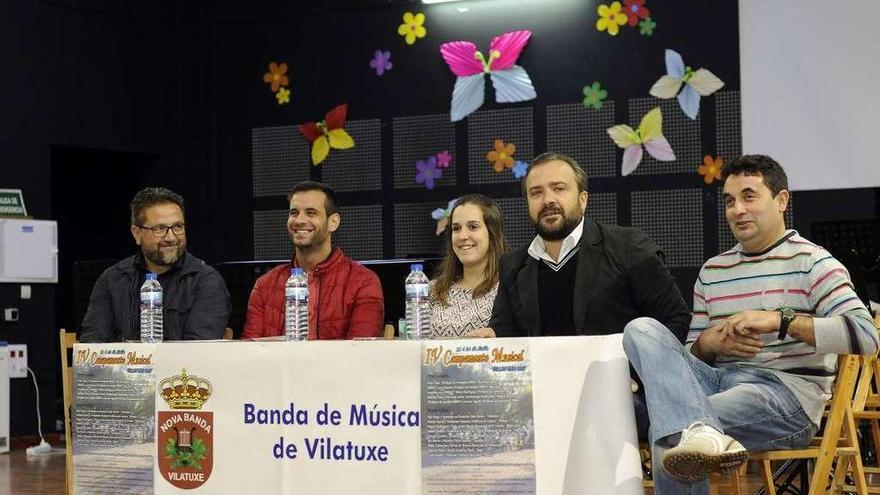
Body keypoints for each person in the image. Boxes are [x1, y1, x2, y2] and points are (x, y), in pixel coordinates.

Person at [623, 155, 879, 494]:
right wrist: (709, 345)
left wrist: (780, 320)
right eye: (729, 201)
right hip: (716, 384)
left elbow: (866, 335)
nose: (737, 209)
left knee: (673, 426)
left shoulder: (813, 262)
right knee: (640, 329)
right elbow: (687, 362)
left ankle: (688, 426)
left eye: (749, 196)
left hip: (784, 396)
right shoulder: (714, 271)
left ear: (781, 200)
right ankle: (695, 427)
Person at [486, 152, 691, 441]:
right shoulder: (513, 265)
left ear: (583, 198)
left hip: (620, 395)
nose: (548, 200)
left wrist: (633, 376)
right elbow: (507, 334)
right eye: (536, 193)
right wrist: (489, 338)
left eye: (559, 188)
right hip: (543, 398)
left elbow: (674, 320)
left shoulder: (628, 247)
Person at [80, 187, 230, 342]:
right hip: (123, 366)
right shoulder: (112, 280)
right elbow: (93, 345)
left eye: (178, 227)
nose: (171, 237)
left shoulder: (205, 281)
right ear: (137, 233)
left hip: (181, 367)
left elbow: (198, 351)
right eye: (160, 229)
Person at [242, 181, 384, 339]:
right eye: (294, 213)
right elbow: (250, 352)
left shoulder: (363, 282)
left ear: (333, 222)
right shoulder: (265, 285)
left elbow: (361, 352)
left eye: (311, 213)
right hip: (278, 364)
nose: (299, 220)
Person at [429, 194, 508, 338]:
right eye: (456, 228)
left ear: (492, 233)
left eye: (473, 227)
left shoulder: (509, 289)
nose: (462, 236)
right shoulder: (432, 290)